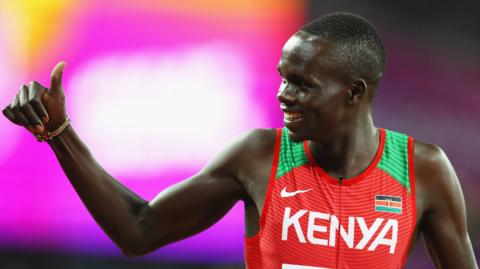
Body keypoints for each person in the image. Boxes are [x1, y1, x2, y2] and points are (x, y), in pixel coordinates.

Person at [2, 12, 478, 269]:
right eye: (282, 78)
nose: (283, 95)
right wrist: (59, 134)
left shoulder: (423, 169)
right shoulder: (258, 156)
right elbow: (138, 230)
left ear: (354, 93)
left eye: (302, 84)